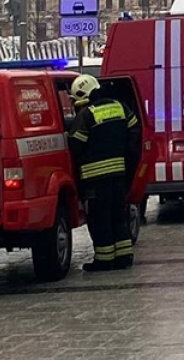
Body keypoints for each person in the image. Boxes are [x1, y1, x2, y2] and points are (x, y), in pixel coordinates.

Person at [68, 74, 142, 271]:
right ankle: (124, 256)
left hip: (95, 179)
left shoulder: (86, 116)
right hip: (119, 175)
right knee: (119, 216)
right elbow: (136, 131)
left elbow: (75, 146)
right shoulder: (120, 107)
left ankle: (104, 259)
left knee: (100, 220)